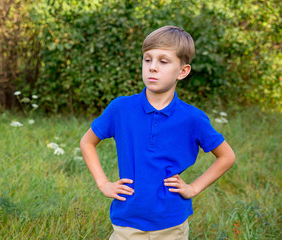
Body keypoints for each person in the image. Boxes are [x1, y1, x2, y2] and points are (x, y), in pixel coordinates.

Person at [80, 25, 235, 240]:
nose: (153, 67)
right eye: (147, 59)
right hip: (127, 221)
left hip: (172, 224)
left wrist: (193, 188)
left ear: (183, 71)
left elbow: (227, 156)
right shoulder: (120, 108)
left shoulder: (193, 118)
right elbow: (87, 142)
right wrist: (103, 183)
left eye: (163, 61)